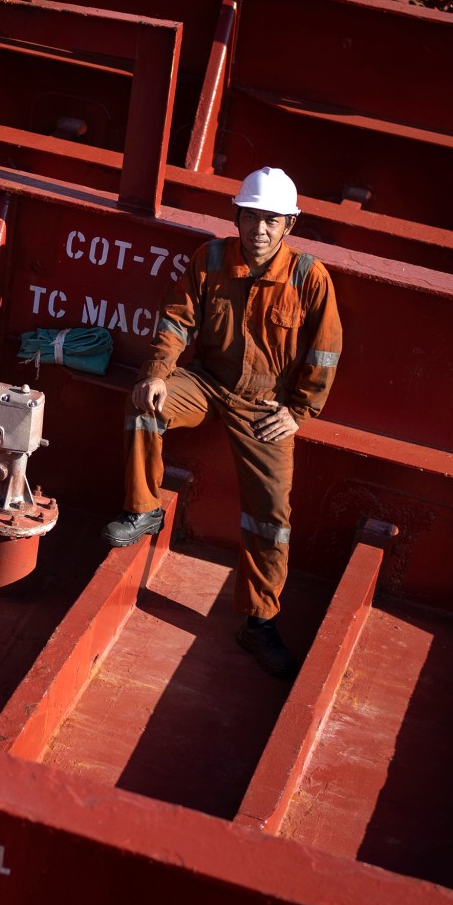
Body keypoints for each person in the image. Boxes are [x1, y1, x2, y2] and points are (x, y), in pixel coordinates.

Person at [102, 165, 343, 680]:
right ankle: (143, 508)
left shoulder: (309, 278)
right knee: (144, 406)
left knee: (270, 514)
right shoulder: (209, 260)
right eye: (251, 218)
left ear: (289, 226)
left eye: (271, 222)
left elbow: (325, 352)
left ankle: (259, 622)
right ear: (237, 217)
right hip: (207, 382)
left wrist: (299, 412)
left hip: (266, 404)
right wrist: (158, 374)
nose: (259, 231)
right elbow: (175, 320)